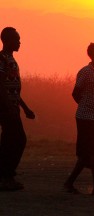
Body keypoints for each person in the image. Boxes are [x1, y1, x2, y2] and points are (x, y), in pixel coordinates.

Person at [64, 43, 94, 196]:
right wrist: (85, 106)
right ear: (93, 55)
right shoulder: (85, 72)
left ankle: (69, 182)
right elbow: (75, 93)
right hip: (86, 117)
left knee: (87, 154)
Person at [0, 27, 35, 191]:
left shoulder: (11, 60)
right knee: (16, 141)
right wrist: (8, 106)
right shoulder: (2, 59)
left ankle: (7, 176)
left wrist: (25, 108)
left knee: (12, 141)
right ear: (6, 41)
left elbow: (13, 89)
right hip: (6, 109)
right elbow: (0, 85)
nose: (19, 42)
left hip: (12, 108)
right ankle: (6, 177)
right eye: (16, 39)